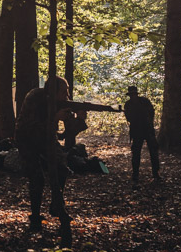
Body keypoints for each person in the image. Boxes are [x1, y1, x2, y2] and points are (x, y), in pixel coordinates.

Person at [16, 76, 120, 237]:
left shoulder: (62, 104)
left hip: (47, 138)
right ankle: (35, 218)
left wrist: (80, 119)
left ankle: (56, 205)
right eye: (64, 92)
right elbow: (31, 127)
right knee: (37, 178)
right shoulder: (34, 97)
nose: (67, 96)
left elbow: (67, 133)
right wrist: (54, 118)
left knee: (62, 169)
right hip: (27, 139)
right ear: (52, 92)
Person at [124, 86, 160, 184]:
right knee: (136, 153)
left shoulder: (144, 101)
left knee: (153, 152)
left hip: (147, 129)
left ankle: (155, 173)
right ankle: (135, 174)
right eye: (131, 95)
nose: (133, 96)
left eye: (134, 94)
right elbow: (129, 118)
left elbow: (151, 113)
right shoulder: (128, 104)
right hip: (137, 131)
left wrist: (147, 121)